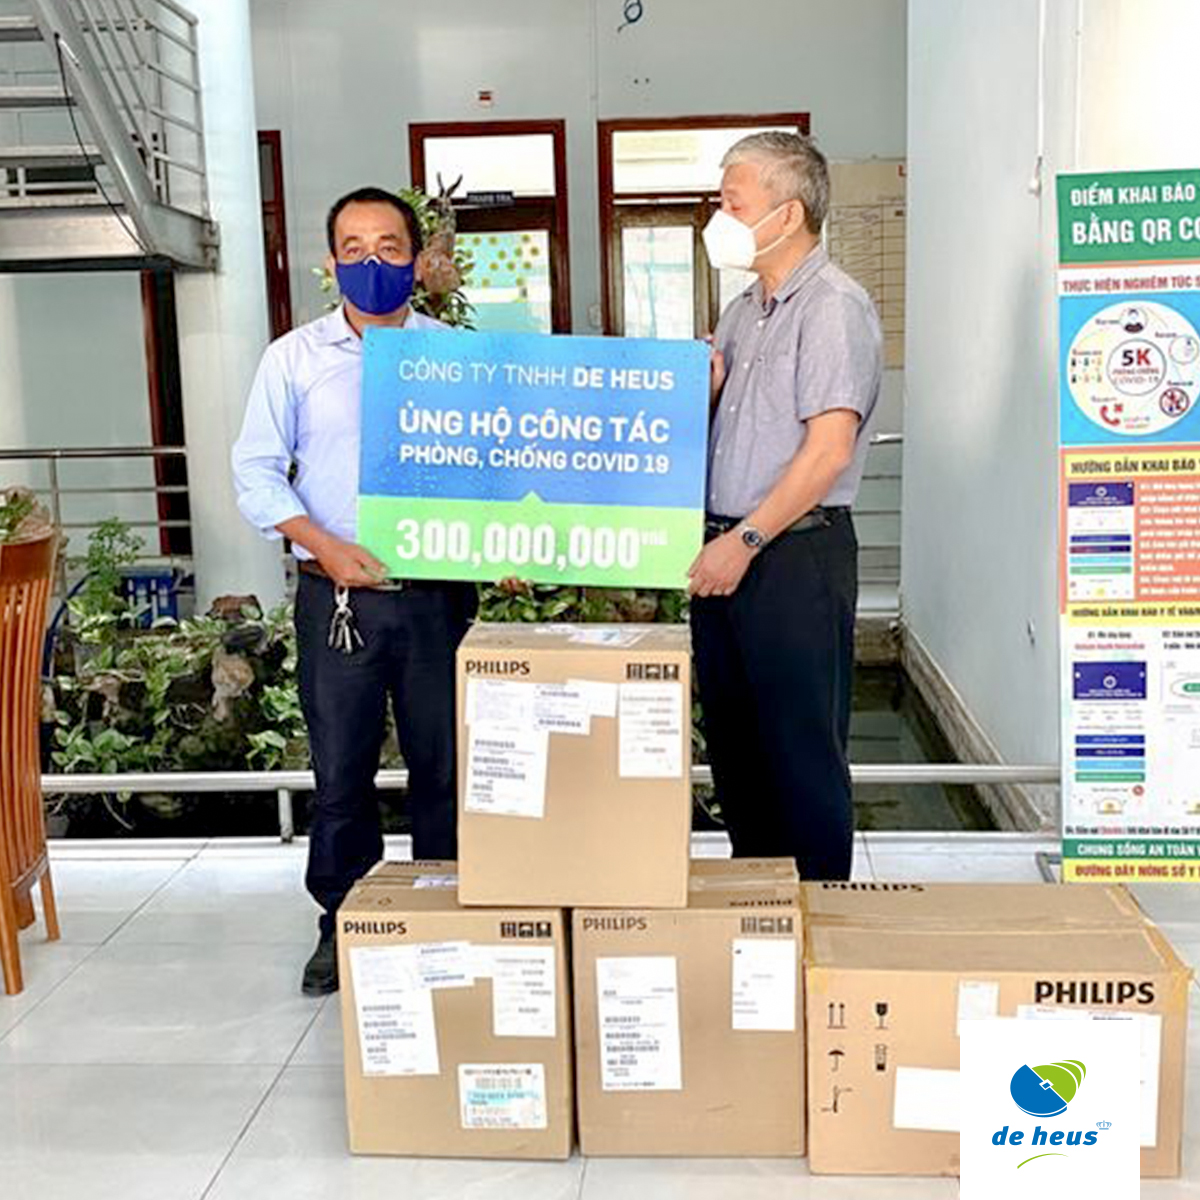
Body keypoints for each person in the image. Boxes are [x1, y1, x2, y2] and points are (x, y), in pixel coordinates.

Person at [231, 186, 477, 995]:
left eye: (390, 247)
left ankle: (442, 916)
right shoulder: (293, 359)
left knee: (445, 769)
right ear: (331, 261)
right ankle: (342, 921)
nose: (373, 261)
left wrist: (507, 539)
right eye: (355, 248)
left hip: (437, 596)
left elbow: (492, 469)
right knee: (341, 773)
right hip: (335, 598)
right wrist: (324, 546)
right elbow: (257, 473)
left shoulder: (457, 359)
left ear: (419, 260)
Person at [688, 132, 881, 881]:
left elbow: (827, 451)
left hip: (792, 555)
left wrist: (745, 541)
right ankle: (760, 907)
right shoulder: (743, 312)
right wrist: (704, 391)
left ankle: (819, 913)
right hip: (726, 555)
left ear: (788, 213)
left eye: (732, 203)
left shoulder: (832, 308)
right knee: (738, 754)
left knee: (801, 753)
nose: (719, 218)